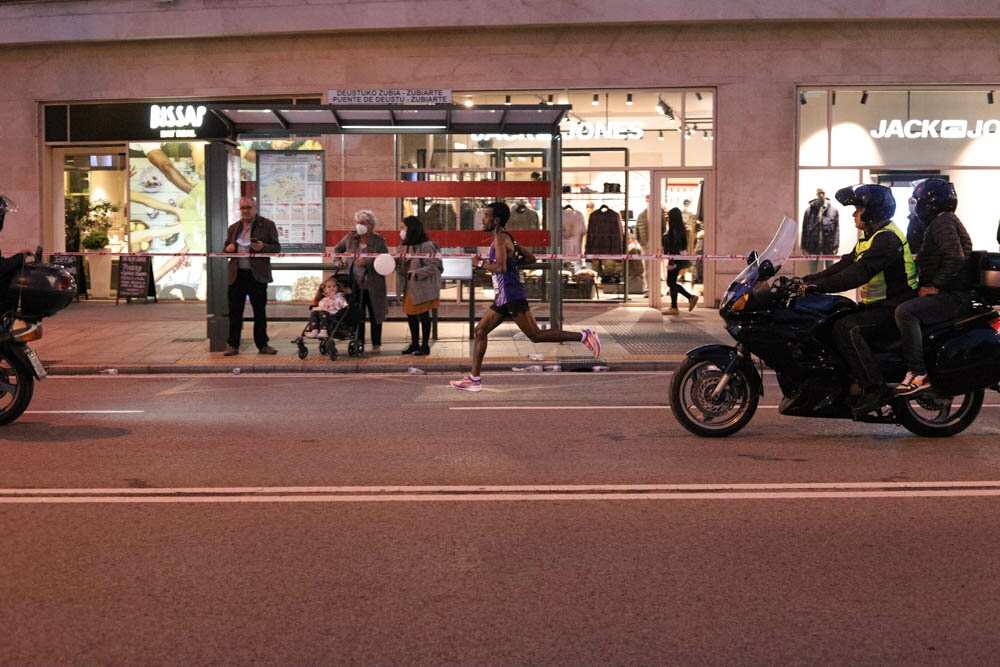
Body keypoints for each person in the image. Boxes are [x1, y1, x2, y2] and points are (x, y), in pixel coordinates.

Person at [450, 201, 601, 392]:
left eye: (487, 216)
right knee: (480, 331)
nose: (483, 219)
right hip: (503, 297)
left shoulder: (500, 239)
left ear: (496, 220)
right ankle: (474, 379)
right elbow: (530, 258)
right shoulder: (507, 238)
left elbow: (501, 268)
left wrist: (479, 264)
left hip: (511, 295)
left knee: (536, 336)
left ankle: (585, 336)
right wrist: (512, 262)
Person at [802, 184, 917, 415]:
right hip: (879, 305)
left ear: (873, 211)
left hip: (893, 307)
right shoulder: (871, 237)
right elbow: (847, 263)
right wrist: (808, 279)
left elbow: (859, 273)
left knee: (846, 328)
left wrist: (819, 287)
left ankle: (874, 389)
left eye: (858, 209)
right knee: (834, 316)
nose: (854, 213)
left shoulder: (887, 239)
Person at [894, 179, 973, 396]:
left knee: (906, 312)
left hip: (953, 296)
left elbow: (955, 257)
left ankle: (917, 373)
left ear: (931, 202)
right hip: (952, 293)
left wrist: (935, 286)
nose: (916, 204)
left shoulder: (942, 222)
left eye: (918, 200)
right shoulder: (944, 220)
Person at [222, 197, 280, 356]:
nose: (245, 211)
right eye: (242, 208)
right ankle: (233, 345)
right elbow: (224, 249)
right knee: (235, 312)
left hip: (257, 276)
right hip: (237, 275)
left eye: (248, 207)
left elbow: (276, 248)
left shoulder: (267, 225)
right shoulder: (234, 227)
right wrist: (228, 248)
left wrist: (263, 247)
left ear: (255, 208)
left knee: (259, 312)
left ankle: (262, 344)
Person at [333, 209, 388, 354]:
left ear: (370, 225)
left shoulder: (379, 241)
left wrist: (368, 262)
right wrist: (338, 261)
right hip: (354, 282)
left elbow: (385, 259)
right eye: (357, 223)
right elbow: (337, 249)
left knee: (376, 313)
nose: (359, 226)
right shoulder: (351, 237)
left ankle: (376, 343)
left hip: (373, 283)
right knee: (358, 313)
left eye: (362, 223)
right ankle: (359, 341)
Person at [397, 215, 442, 356]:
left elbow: (434, 266)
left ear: (411, 229)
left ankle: (425, 345)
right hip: (409, 286)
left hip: (422, 287)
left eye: (403, 228)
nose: (401, 231)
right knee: (410, 314)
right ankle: (415, 343)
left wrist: (417, 272)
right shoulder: (404, 246)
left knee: (423, 315)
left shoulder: (426, 246)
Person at [662, 207, 699, 315]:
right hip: (678, 259)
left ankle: (675, 307)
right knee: (671, 282)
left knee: (671, 282)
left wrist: (673, 263)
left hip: (675, 260)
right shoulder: (681, 229)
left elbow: (674, 248)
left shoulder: (674, 231)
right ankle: (689, 298)